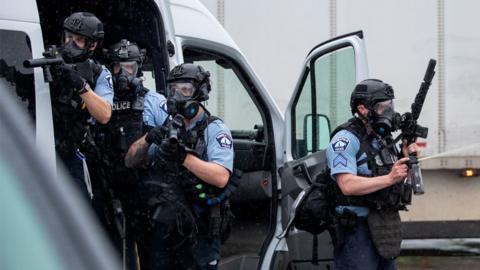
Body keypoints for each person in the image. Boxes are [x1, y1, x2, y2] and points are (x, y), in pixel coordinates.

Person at [125, 63, 234, 270]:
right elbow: (130, 160)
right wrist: (148, 139)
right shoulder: (169, 126)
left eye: (186, 89)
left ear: (199, 92)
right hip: (166, 231)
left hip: (199, 234)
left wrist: (183, 158)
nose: (178, 95)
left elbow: (221, 177)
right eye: (174, 89)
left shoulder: (214, 129)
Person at [326, 79, 418, 270]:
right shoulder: (345, 140)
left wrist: (406, 158)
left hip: (384, 227)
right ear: (363, 109)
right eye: (382, 107)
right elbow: (346, 184)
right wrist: (389, 178)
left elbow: (395, 178)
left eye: (390, 105)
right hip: (357, 231)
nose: (389, 111)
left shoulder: (381, 139)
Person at [93, 39, 169, 270]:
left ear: (138, 68)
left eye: (129, 67)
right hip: (109, 187)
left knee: (150, 254)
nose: (123, 74)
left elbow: (172, 141)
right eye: (117, 67)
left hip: (143, 189)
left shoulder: (155, 101)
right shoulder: (101, 103)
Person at [52, 12, 113, 200]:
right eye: (68, 37)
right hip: (35, 145)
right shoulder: (49, 59)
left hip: (71, 151)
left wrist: (79, 84)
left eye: (78, 40)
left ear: (92, 45)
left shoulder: (99, 73)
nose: (70, 43)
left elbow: (104, 114)